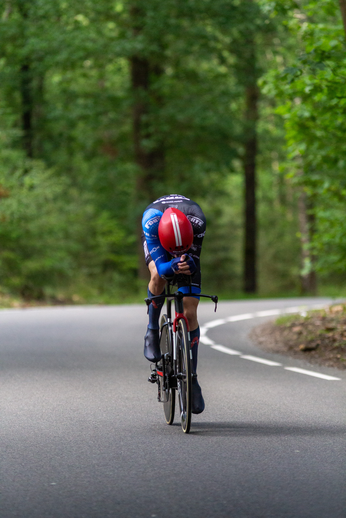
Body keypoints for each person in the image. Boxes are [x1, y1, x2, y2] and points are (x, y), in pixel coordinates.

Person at [141, 194, 206, 414]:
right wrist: (173, 266)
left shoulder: (197, 222)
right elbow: (162, 268)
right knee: (157, 278)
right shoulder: (151, 222)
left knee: (190, 312)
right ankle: (151, 329)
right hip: (160, 239)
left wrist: (188, 263)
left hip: (186, 236)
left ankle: (192, 378)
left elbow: (195, 262)